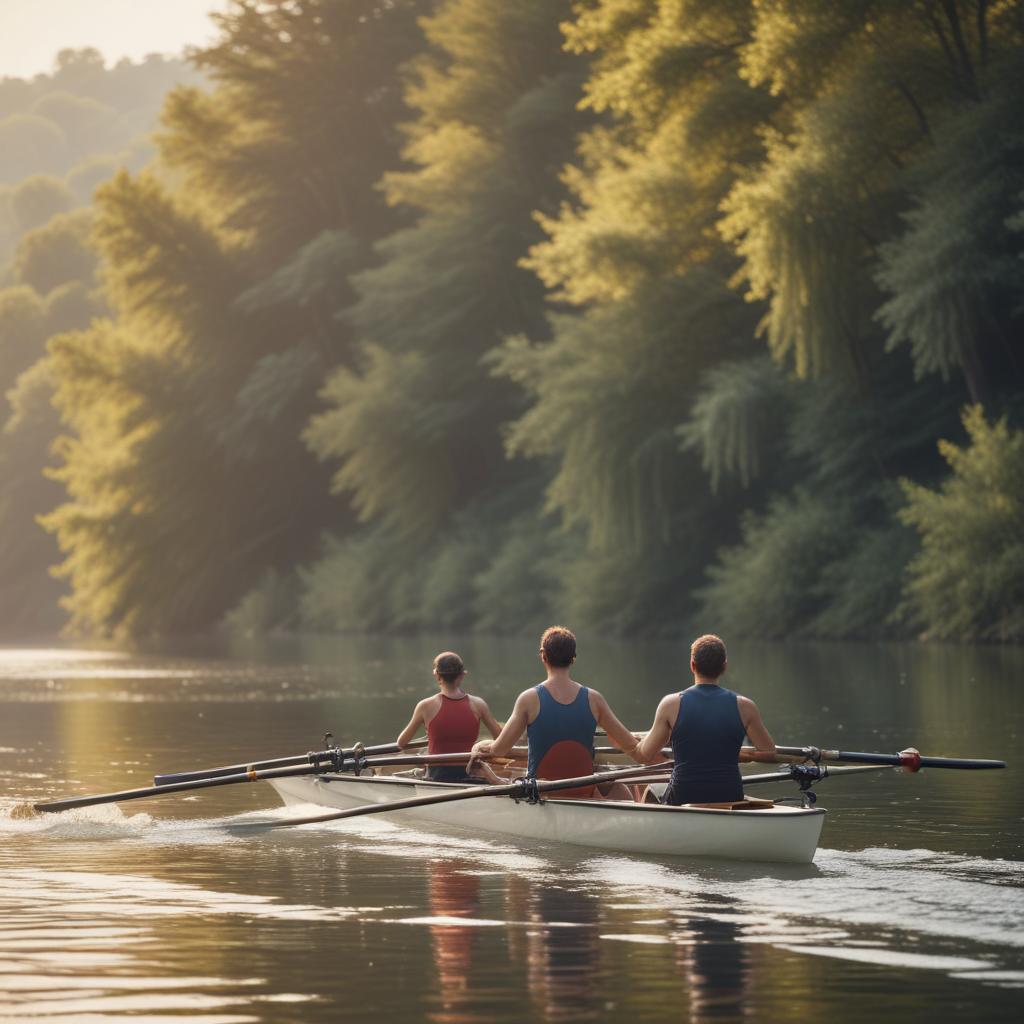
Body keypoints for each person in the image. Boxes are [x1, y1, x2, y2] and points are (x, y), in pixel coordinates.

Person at [470, 626, 640, 798]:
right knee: (620, 790)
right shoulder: (595, 700)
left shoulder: (528, 699)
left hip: (541, 794)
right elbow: (630, 745)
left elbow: (499, 750)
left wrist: (482, 746)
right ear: (573, 658)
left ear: (543, 655)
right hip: (582, 792)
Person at [634, 633, 776, 804]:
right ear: (724, 667)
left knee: (647, 787)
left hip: (684, 795)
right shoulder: (746, 707)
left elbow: (645, 754)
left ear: (692, 665)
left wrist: (642, 740)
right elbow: (769, 752)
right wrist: (735, 753)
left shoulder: (671, 704)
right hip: (730, 795)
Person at [396, 651, 502, 783]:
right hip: (468, 775)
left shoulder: (425, 706)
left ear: (437, 675)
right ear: (463, 675)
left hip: (437, 777)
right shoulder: (479, 705)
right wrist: (484, 745)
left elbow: (401, 743)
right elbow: (501, 740)